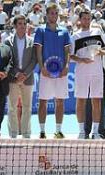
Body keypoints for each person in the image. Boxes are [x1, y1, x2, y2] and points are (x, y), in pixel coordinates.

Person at [34, 3, 71, 139]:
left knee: (60, 101)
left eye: (56, 13)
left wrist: (66, 66)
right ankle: (42, 131)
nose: (53, 15)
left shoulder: (65, 31)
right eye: (51, 13)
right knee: (43, 101)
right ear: (47, 14)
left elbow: (67, 51)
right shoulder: (40, 30)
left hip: (61, 72)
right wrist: (42, 67)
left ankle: (58, 131)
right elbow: (38, 51)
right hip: (46, 72)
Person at [70, 10, 105, 139]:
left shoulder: (97, 32)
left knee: (96, 101)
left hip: (97, 72)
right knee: (81, 101)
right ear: (80, 20)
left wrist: (99, 52)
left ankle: (95, 132)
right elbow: (71, 55)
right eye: (84, 18)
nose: (86, 20)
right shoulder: (75, 36)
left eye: (88, 18)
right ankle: (81, 132)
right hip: (81, 72)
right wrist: (81, 60)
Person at [5, 15, 37, 138]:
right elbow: (7, 59)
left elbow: (34, 60)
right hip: (12, 79)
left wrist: (25, 74)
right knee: (12, 107)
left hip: (28, 79)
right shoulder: (8, 41)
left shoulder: (32, 41)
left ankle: (26, 134)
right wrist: (17, 73)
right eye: (20, 24)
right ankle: (13, 134)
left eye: (24, 23)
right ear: (15, 25)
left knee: (27, 108)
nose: (23, 26)